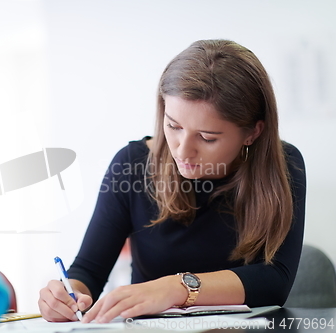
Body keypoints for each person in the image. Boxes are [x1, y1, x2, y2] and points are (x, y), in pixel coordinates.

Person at [38, 39, 306, 323]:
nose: (182, 149)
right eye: (173, 126)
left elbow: (275, 280)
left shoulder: (284, 165)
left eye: (206, 137)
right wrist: (68, 297)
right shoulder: (131, 165)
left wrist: (176, 287)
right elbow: (88, 272)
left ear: (252, 132)